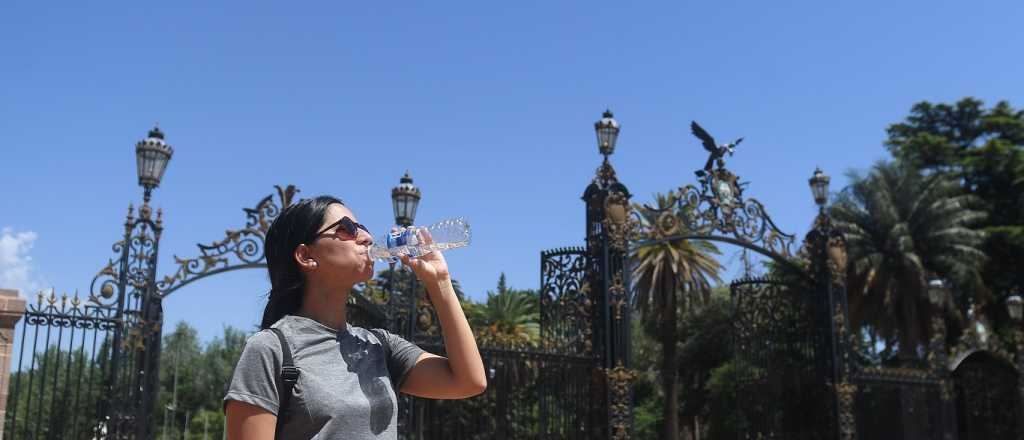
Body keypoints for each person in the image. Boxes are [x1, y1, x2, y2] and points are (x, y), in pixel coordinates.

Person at [223, 196, 486, 439]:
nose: (366, 237)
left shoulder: (379, 346)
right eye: (347, 228)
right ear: (306, 256)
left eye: (363, 227)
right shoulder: (270, 349)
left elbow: (468, 381)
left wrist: (439, 282)